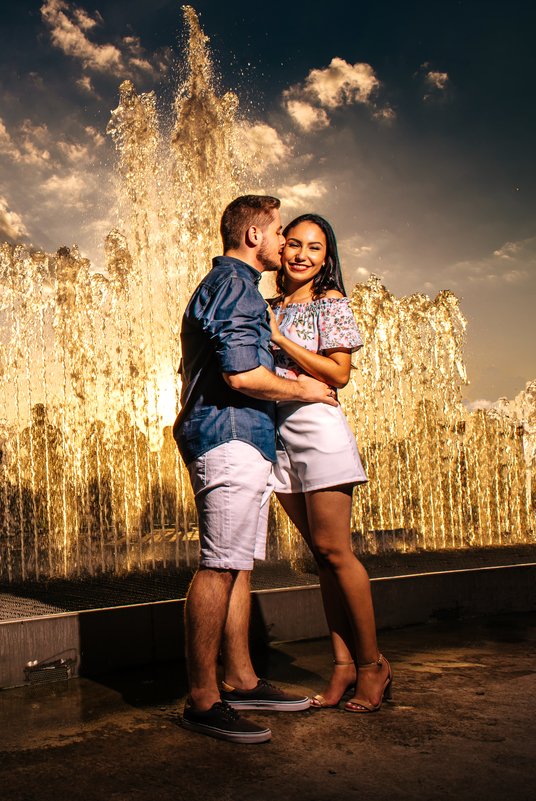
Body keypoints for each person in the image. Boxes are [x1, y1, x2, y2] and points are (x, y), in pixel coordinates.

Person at [173, 195, 338, 743]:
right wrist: (306, 390)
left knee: (237, 565)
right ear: (253, 236)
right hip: (228, 435)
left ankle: (241, 680)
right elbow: (242, 375)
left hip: (242, 436)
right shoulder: (236, 286)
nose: (285, 242)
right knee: (220, 566)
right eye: (279, 232)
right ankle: (203, 700)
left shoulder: (234, 286)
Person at [268, 213, 390, 713]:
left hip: (318, 431)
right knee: (319, 556)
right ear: (280, 249)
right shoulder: (269, 305)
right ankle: (342, 666)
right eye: (294, 244)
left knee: (337, 552)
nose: (302, 255)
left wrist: (281, 339)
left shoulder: (329, 301)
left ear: (326, 258)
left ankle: (372, 665)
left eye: (314, 248)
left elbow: (339, 373)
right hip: (276, 436)